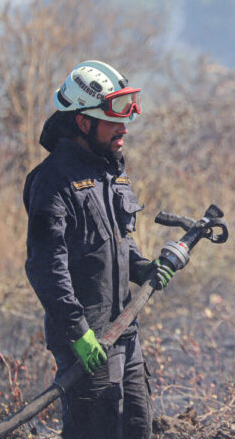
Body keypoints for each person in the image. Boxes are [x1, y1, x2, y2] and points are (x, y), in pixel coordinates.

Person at [23, 60, 174, 439]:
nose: (124, 128)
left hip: (126, 332)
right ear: (82, 122)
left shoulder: (111, 171)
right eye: (112, 121)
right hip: (87, 344)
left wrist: (143, 267)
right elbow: (46, 267)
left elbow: (119, 240)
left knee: (137, 428)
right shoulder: (52, 182)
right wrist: (77, 332)